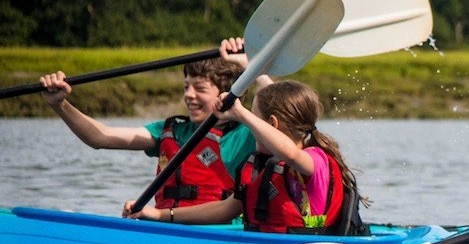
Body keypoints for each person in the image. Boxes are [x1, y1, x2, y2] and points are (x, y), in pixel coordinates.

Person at [40, 38, 267, 210]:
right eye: (186, 86)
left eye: (199, 88)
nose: (188, 95)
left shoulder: (247, 133)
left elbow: (281, 115)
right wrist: (60, 105)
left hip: (218, 234)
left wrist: (253, 67)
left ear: (227, 93)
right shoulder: (171, 130)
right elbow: (100, 137)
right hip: (166, 230)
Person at [124, 79, 367, 234]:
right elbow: (225, 209)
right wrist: (159, 215)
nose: (249, 129)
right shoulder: (262, 167)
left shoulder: (314, 160)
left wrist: (240, 113)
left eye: (254, 119)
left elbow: (290, 152)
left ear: (271, 124)